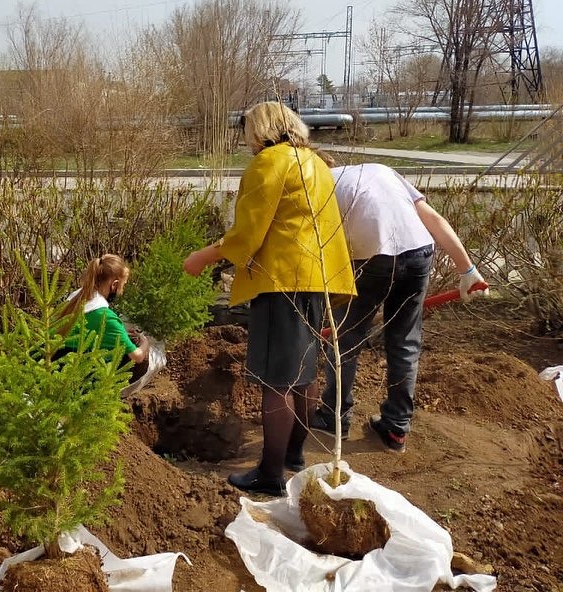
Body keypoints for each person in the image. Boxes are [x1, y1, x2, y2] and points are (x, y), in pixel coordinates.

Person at [183, 101, 355, 496]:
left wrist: (203, 257)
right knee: (302, 375)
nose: (247, 140)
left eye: (248, 132)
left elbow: (247, 234)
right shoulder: (315, 164)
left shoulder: (269, 162)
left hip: (281, 281)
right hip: (316, 279)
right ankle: (294, 456)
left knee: (275, 381)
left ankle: (271, 474)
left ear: (260, 130)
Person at [310, 162, 488, 452]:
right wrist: (467, 270)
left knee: (345, 340)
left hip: (371, 259)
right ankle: (396, 429)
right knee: (404, 341)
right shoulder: (382, 171)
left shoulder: (322, 183)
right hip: (419, 252)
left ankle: (333, 418)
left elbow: (325, 247)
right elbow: (432, 217)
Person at [56, 254, 149, 365]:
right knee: (142, 361)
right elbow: (137, 356)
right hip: (83, 371)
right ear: (114, 285)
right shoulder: (106, 317)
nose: (122, 291)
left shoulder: (73, 300)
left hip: (59, 363)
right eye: (123, 286)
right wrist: (145, 342)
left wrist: (121, 332)